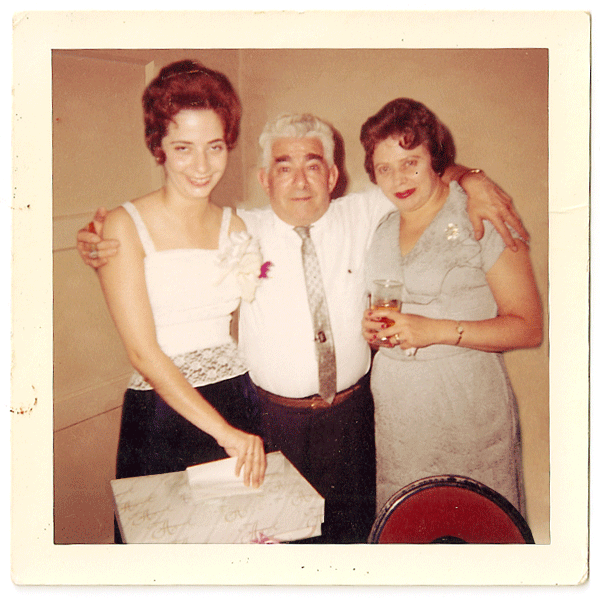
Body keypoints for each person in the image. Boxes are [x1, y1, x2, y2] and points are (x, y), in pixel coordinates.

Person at [78, 107, 526, 543]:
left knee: (354, 540)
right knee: (281, 547)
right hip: (270, 421)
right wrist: (101, 239)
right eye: (284, 167)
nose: (299, 181)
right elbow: (172, 240)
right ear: (264, 179)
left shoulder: (366, 213)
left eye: (313, 166)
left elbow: (424, 173)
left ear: (331, 176)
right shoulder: (237, 230)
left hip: (354, 418)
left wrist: (474, 178)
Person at [90, 59, 267, 540]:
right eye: (183, 148)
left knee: (237, 547)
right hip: (163, 413)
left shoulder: (237, 226)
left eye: (215, 147)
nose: (202, 166)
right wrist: (225, 433)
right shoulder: (124, 225)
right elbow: (142, 352)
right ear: (159, 147)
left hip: (236, 399)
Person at [360, 98, 543, 518]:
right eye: (385, 169)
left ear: (435, 159)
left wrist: (437, 330)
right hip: (399, 414)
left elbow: (528, 327)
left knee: (476, 528)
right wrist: (370, 330)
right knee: (410, 529)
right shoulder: (383, 228)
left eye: (410, 162)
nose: (398, 179)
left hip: (465, 406)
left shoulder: (481, 214)